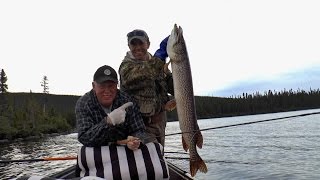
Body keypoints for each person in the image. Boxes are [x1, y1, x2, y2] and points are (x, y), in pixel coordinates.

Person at [118, 29, 175, 147]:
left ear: (148, 44)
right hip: (139, 127)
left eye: (141, 43)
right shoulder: (126, 68)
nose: (138, 47)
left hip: (160, 123)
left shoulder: (158, 65)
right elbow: (145, 73)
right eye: (134, 44)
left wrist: (180, 67)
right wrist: (159, 59)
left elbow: (173, 87)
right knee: (152, 155)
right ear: (129, 46)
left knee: (159, 155)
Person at [75, 65, 147, 150]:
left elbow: (140, 130)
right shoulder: (84, 103)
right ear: (94, 86)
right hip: (97, 151)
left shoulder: (127, 101)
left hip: (125, 150)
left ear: (117, 85)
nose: (107, 90)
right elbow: (85, 138)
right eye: (102, 86)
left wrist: (135, 141)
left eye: (111, 86)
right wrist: (108, 121)